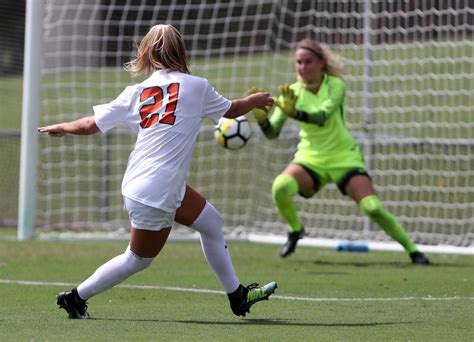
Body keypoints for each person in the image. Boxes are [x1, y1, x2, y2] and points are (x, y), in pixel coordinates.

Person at [38, 24, 277, 319]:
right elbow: (230, 110)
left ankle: (238, 296)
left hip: (149, 183)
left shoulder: (136, 91)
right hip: (157, 191)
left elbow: (91, 124)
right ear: (181, 51)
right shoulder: (197, 86)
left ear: (148, 54)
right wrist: (253, 101)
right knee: (137, 259)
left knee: (211, 223)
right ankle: (75, 297)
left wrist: (63, 127)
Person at [250, 38, 430, 264]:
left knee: (372, 208)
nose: (303, 68)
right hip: (310, 158)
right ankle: (296, 230)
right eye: (298, 63)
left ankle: (414, 251)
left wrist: (296, 114)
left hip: (344, 156)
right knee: (280, 187)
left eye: (308, 62)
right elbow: (272, 133)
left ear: (321, 63)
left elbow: (322, 116)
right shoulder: (292, 93)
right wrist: (262, 122)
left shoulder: (335, 85)